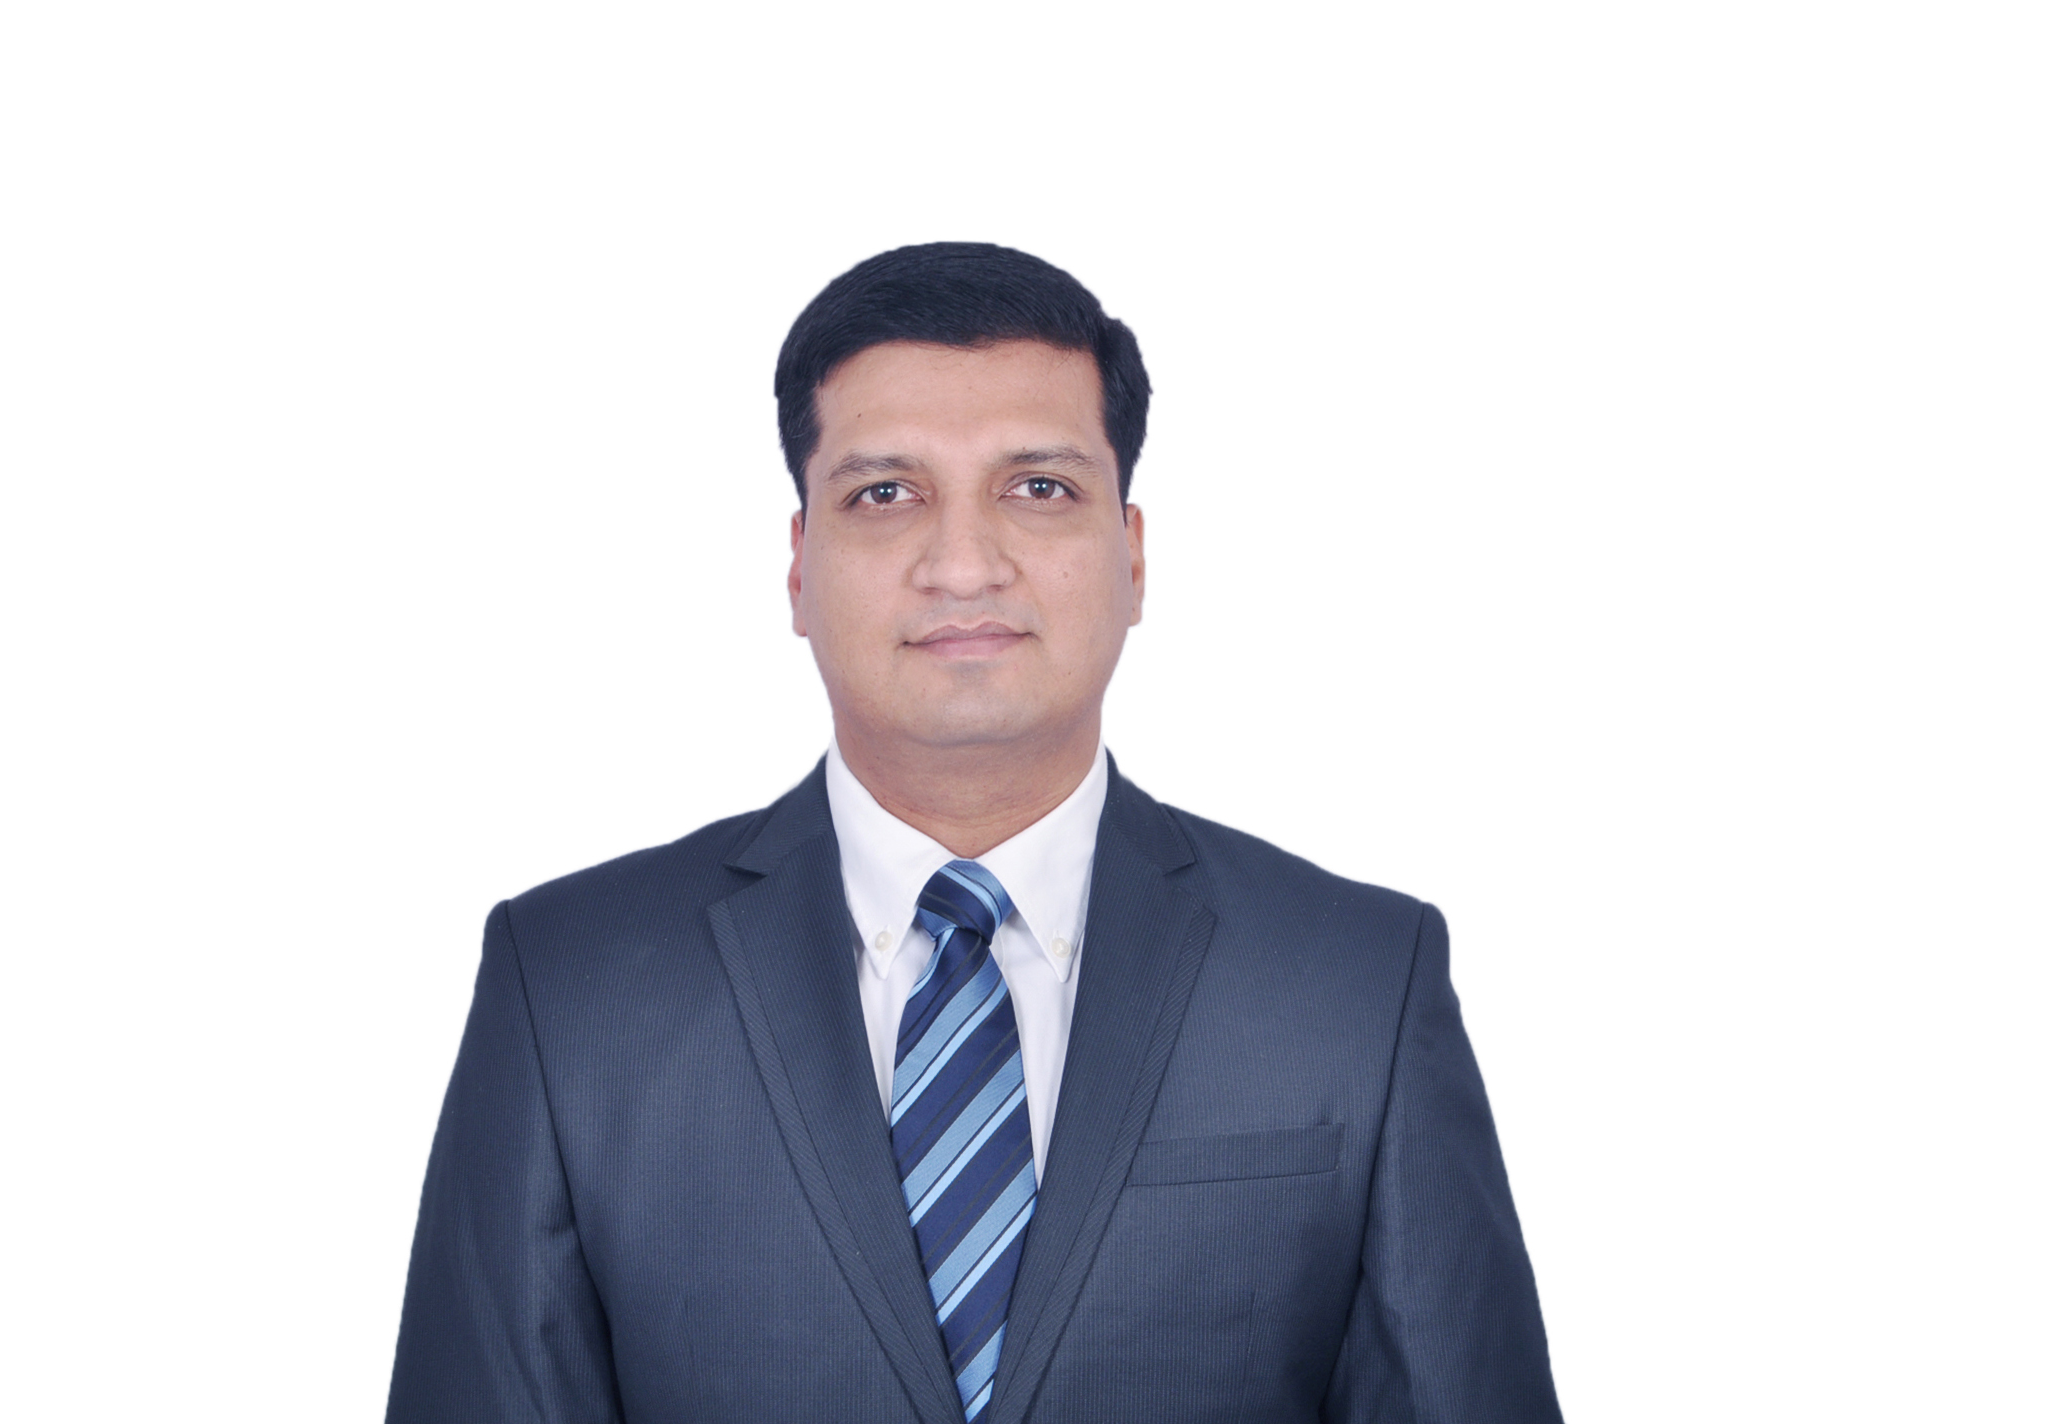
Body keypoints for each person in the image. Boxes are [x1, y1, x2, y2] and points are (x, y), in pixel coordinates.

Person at [386, 242, 1561, 1423]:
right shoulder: (572, 988)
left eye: (1037, 487)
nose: (961, 564)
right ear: (797, 565)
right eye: (883, 494)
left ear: (1133, 555)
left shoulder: (1353, 982)